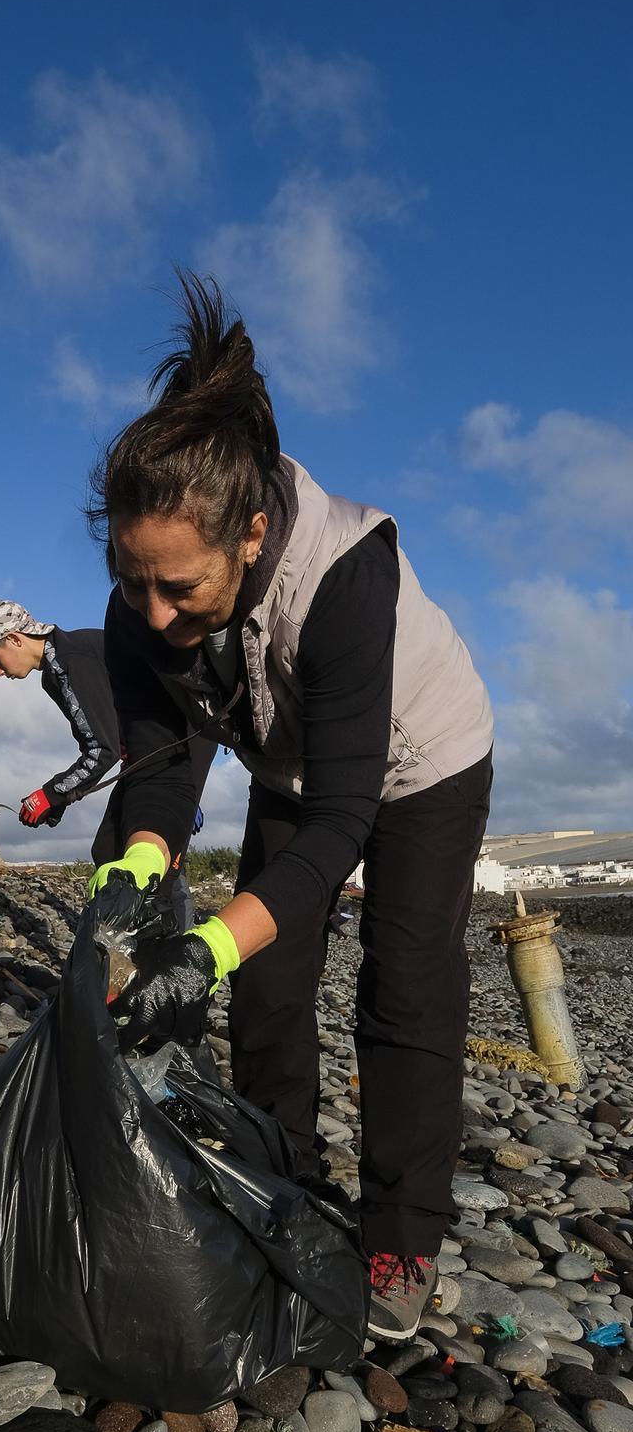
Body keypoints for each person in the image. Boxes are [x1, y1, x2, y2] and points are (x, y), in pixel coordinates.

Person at [88, 274, 494, 1343]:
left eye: (181, 588)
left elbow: (343, 824)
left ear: (255, 533)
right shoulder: (144, 600)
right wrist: (133, 874)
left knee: (406, 986)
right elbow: (164, 767)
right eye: (135, 582)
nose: (154, 611)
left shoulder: (347, 575)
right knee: (269, 976)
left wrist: (202, 949)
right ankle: (287, 1177)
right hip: (293, 767)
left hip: (418, 760)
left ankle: (402, 1228)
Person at [0, 600, 121, 830]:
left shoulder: (71, 662)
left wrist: (50, 795)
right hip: (152, 754)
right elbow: (97, 745)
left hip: (171, 748)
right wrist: (61, 800)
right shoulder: (53, 673)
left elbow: (103, 751)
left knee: (119, 851)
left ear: (15, 639)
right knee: (108, 850)